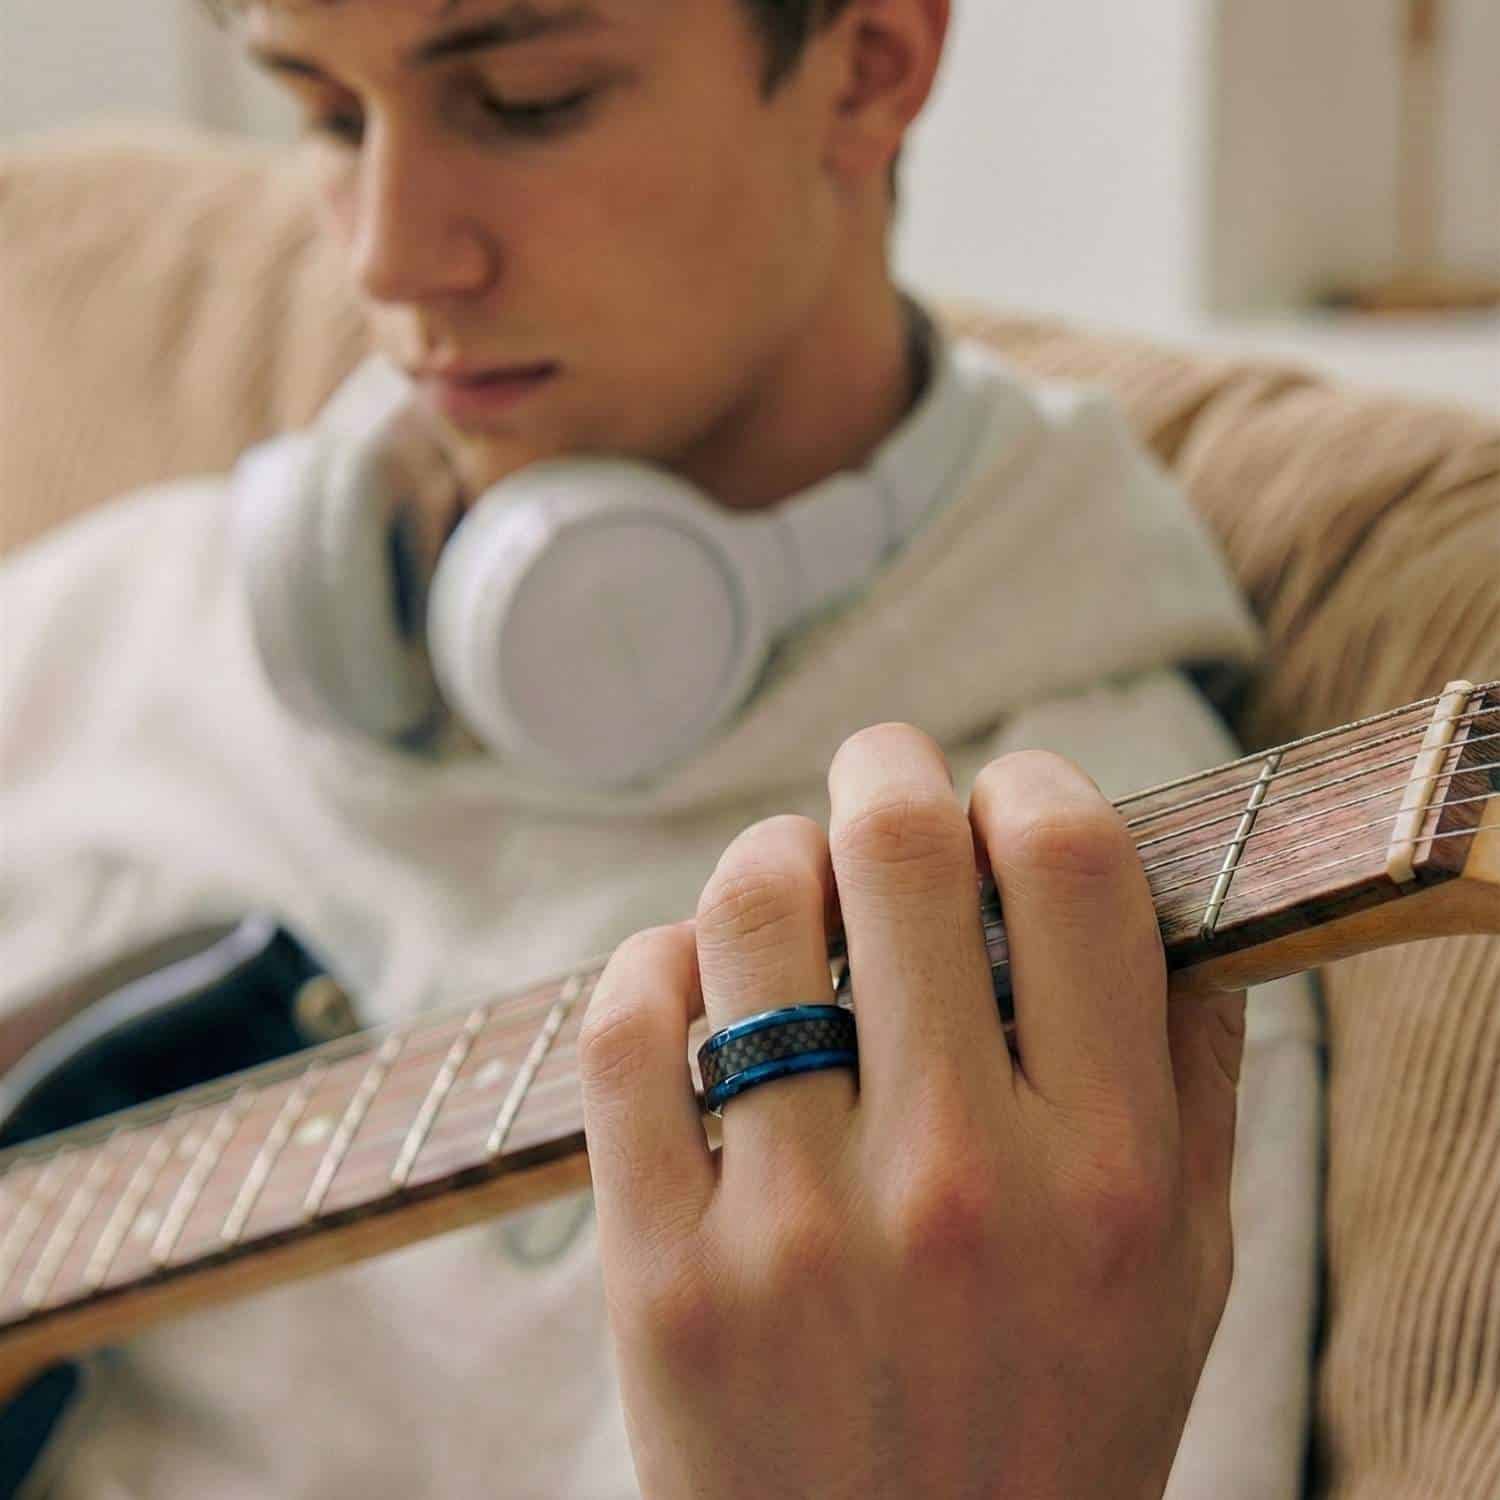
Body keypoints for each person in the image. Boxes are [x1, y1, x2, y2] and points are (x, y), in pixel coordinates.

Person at [0, 0, 1322, 1495]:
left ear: (872, 61)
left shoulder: (1107, 913)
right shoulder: (97, 622)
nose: (383, 258)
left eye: (522, 101)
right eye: (327, 114)